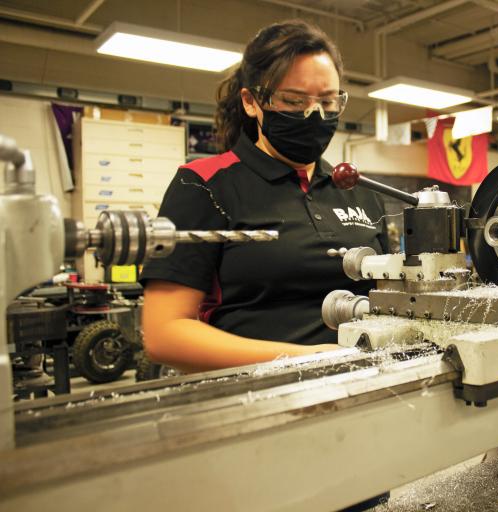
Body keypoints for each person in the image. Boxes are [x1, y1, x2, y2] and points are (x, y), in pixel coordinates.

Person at [140, 20, 388, 374]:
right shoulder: (203, 185)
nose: (314, 115)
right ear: (252, 102)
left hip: (369, 384)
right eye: (293, 100)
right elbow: (164, 334)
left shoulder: (360, 191)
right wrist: (305, 360)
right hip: (257, 397)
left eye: (328, 101)